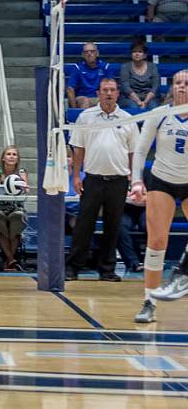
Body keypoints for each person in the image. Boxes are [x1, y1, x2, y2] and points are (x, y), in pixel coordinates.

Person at [129, 69, 188, 322]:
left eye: (187, 83)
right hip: (162, 181)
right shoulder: (160, 114)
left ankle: (181, 276)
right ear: (171, 86)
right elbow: (140, 150)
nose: (182, 87)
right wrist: (136, 181)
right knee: (156, 243)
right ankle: (149, 302)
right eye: (178, 83)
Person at [66, 77, 138, 282]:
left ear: (117, 93)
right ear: (98, 93)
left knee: (112, 226)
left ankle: (106, 269)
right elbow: (78, 148)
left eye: (112, 90)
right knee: (83, 225)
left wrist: (134, 177)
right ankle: (73, 268)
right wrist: (76, 176)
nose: (108, 93)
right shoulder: (86, 117)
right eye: (105, 90)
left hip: (118, 180)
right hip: (93, 179)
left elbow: (134, 152)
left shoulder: (127, 119)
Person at [0, 146, 29, 271]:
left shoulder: (22, 172)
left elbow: (24, 191)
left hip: (16, 207)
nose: (11, 156)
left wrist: (22, 188)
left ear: (18, 159)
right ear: (3, 158)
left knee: (17, 220)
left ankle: (9, 259)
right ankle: (11, 259)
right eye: (8, 154)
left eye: (14, 154)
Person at [66, 42, 114, 109]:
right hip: (82, 97)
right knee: (85, 101)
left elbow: (111, 86)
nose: (89, 54)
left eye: (92, 51)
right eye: (86, 52)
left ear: (97, 53)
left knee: (103, 101)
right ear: (82, 55)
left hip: (99, 97)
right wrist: (74, 110)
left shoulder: (105, 67)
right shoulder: (77, 67)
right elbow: (70, 88)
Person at [119, 40, 160, 110]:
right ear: (131, 54)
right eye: (134, 51)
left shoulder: (153, 66)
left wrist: (145, 102)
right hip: (130, 98)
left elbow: (155, 86)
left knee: (154, 107)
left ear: (145, 55)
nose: (137, 54)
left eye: (140, 52)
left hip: (149, 98)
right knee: (134, 108)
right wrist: (139, 102)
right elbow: (125, 87)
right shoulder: (125, 67)